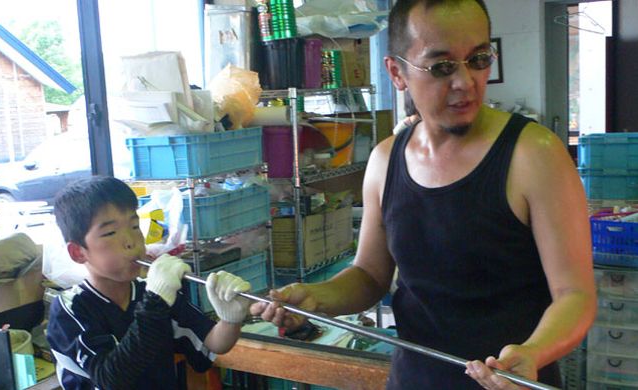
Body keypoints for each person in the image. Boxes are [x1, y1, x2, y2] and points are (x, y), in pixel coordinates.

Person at [251, 0, 596, 389]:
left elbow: (575, 295)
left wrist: (535, 351)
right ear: (397, 72)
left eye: (479, 59)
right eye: (442, 67)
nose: (466, 82)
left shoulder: (534, 155)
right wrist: (314, 299)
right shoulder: (385, 162)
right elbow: (369, 275)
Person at [47, 176, 250, 389]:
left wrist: (230, 319)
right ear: (78, 252)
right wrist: (156, 302)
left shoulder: (151, 293)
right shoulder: (71, 309)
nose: (131, 241)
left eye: (134, 226)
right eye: (110, 232)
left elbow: (215, 342)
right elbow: (110, 380)